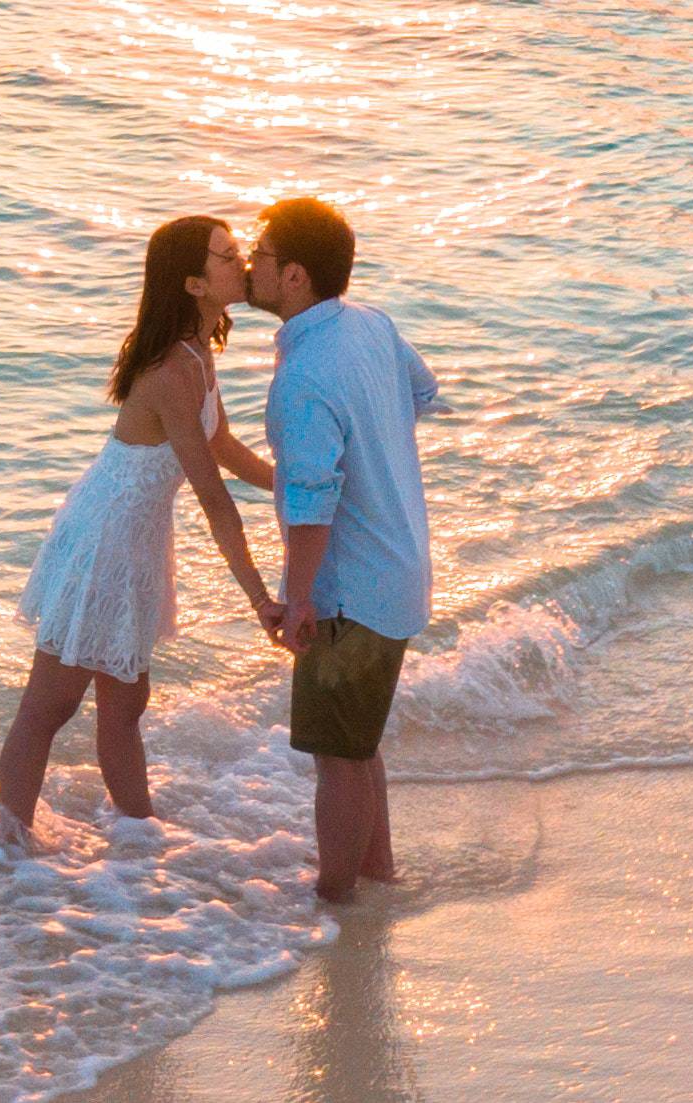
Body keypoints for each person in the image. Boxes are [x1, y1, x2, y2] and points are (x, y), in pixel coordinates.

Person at [0, 214, 286, 849]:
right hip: (104, 538)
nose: (241, 263)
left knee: (125, 706)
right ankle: (4, 850)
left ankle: (138, 839)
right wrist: (261, 600)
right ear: (192, 284)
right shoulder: (169, 374)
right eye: (227, 255)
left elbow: (224, 445)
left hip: (138, 542)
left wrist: (297, 487)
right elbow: (213, 498)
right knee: (50, 705)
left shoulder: (198, 355)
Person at [251, 196, 436, 904]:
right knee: (359, 747)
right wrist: (378, 429)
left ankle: (335, 900)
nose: (249, 264)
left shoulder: (304, 377)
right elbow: (423, 389)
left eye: (260, 255)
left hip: (350, 587)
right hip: (398, 566)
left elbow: (313, 503)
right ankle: (377, 869)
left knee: (336, 756)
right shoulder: (370, 324)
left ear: (295, 276)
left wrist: (298, 598)